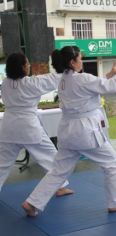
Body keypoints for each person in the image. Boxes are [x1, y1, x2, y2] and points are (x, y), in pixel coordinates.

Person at [22, 46, 116, 217]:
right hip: (85, 132)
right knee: (112, 164)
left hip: (67, 132)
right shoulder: (83, 79)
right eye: (80, 58)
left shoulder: (62, 80)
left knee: (58, 172)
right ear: (72, 62)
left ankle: (32, 202)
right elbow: (109, 87)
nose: (82, 61)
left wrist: (110, 75)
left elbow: (91, 87)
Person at [0, 52, 73, 196]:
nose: (28, 66)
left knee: (2, 164)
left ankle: (59, 186)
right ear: (22, 67)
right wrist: (68, 68)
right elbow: (55, 79)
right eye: (26, 64)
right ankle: (59, 186)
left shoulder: (5, 84)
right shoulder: (32, 83)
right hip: (28, 127)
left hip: (8, 128)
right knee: (51, 156)